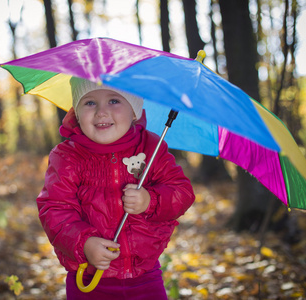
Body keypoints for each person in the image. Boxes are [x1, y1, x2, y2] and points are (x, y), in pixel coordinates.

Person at [36, 76, 195, 299]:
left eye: (114, 101)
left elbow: (182, 193)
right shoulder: (67, 156)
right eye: (90, 102)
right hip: (89, 277)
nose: (101, 112)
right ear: (77, 113)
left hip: (144, 275)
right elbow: (54, 209)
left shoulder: (151, 147)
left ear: (134, 111)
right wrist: (85, 243)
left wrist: (150, 200)